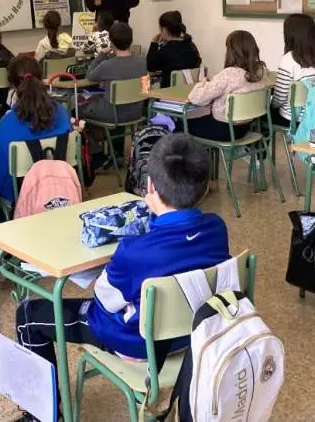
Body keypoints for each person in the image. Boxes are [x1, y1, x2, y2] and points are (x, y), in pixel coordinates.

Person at [12, 134, 229, 422]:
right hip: (193, 335)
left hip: (138, 344)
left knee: (28, 315)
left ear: (149, 186)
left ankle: (42, 416)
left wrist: (107, 270)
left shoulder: (134, 252)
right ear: (202, 189)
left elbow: (104, 302)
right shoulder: (217, 229)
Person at [0, 56, 72, 204]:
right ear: (41, 78)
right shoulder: (61, 112)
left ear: (12, 86)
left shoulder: (8, 123)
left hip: (19, 194)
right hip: (61, 189)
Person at [186, 30, 267, 141]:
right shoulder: (260, 72)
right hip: (245, 127)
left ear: (231, 52)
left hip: (223, 129)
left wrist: (202, 84)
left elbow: (195, 98)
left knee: (181, 125)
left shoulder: (228, 74)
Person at [82, 22, 147, 123]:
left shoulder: (107, 65)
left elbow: (89, 76)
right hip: (136, 113)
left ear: (111, 42)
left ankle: (96, 137)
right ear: (131, 40)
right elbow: (145, 89)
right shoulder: (142, 62)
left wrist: (102, 53)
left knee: (79, 108)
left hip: (112, 114)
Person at [272, 13, 315, 126]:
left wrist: (269, 103)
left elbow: (279, 99)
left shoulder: (288, 59)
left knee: (264, 113)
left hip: (292, 119)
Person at [146, 10, 202, 89]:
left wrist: (154, 43)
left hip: (169, 95)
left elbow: (150, 67)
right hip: (190, 93)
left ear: (164, 30)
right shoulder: (192, 46)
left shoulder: (165, 51)